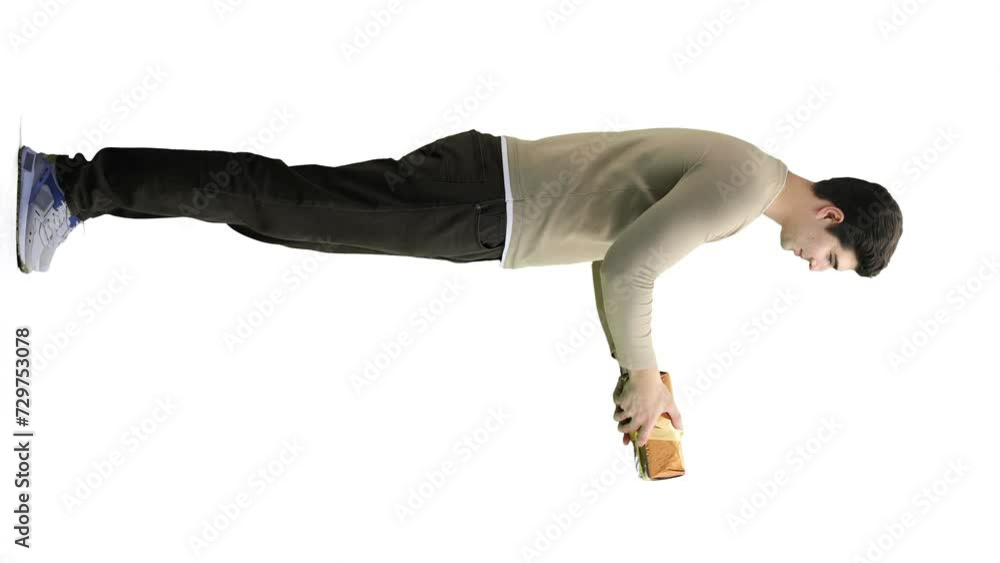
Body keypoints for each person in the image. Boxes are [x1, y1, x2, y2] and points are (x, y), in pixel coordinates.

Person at [14, 126, 903, 447]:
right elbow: (631, 264)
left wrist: (648, 372)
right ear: (829, 216)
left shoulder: (746, 187)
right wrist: (642, 370)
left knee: (284, 201)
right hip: (482, 200)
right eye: (833, 262)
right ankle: (70, 183)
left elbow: (619, 256)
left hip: (484, 205)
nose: (813, 271)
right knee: (280, 199)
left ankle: (78, 185)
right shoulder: (746, 185)